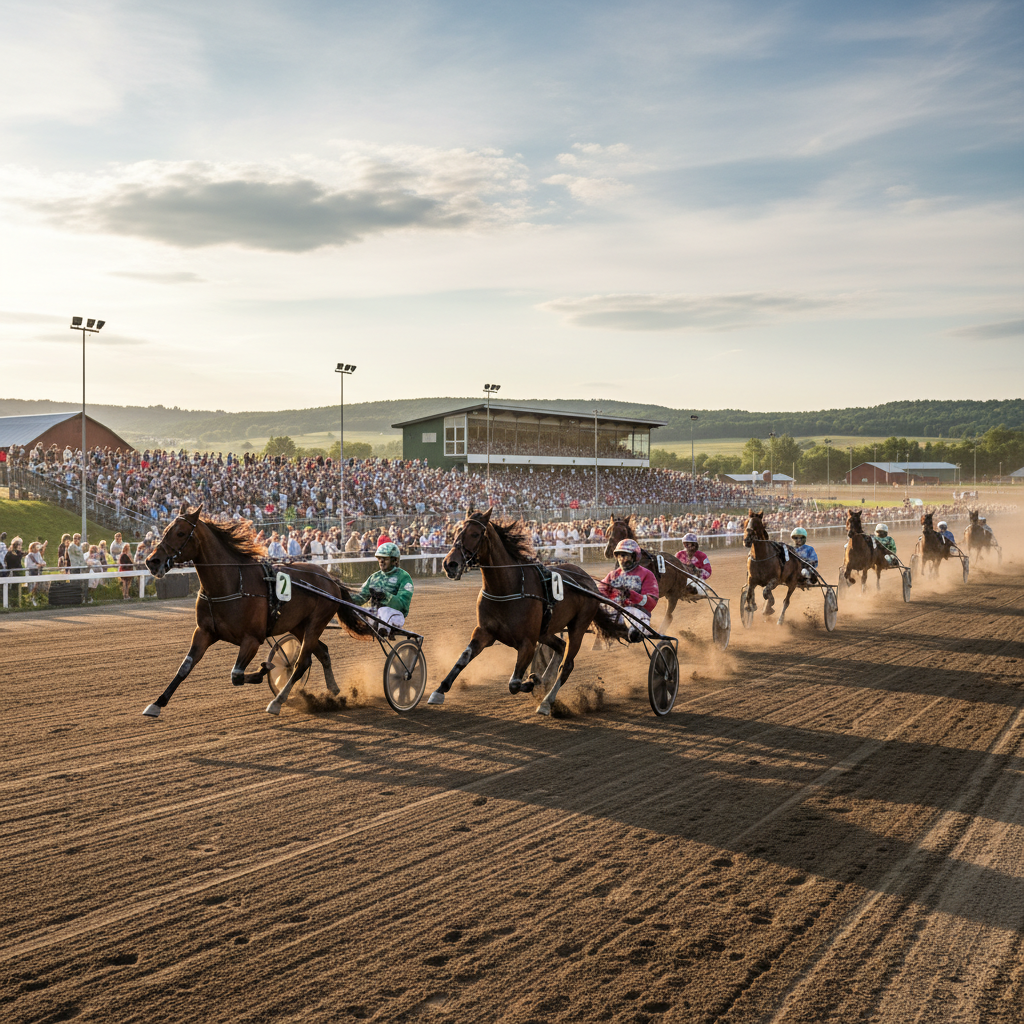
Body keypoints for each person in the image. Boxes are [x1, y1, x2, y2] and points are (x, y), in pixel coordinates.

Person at [598, 538, 659, 642]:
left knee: (630, 612)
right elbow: (600, 591)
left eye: (625, 555)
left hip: (638, 614)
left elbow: (651, 603)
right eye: (619, 555)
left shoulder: (646, 574)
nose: (621, 559)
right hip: (616, 613)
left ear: (635, 556)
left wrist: (631, 595)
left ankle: (636, 632)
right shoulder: (613, 575)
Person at [352, 542, 414, 636]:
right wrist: (344, 596)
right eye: (379, 558)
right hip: (376, 615)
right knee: (357, 610)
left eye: (385, 558)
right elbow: (361, 596)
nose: (381, 561)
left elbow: (403, 605)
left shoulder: (404, 577)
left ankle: (383, 630)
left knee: (383, 610)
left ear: (394, 560)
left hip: (395, 616)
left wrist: (385, 596)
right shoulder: (374, 577)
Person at [25, 540, 48, 605]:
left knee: (36, 587)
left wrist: (43, 564)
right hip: (31, 574)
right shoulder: (29, 556)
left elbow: (41, 561)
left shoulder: (38, 554)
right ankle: (31, 601)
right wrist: (37, 565)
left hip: (37, 573)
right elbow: (28, 565)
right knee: (31, 587)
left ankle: (37, 601)